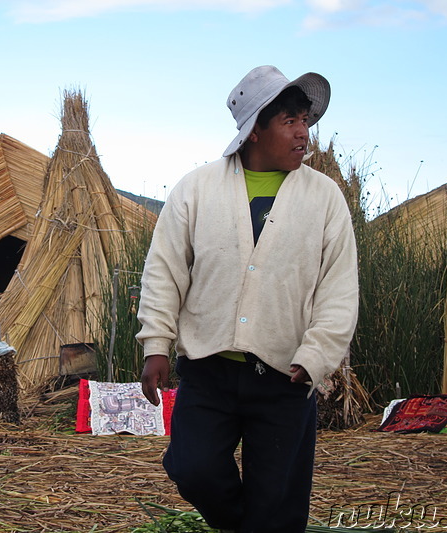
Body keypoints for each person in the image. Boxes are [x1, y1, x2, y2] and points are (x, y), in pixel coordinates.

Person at [136, 65, 359, 533]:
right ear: (254, 130)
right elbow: (165, 270)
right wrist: (156, 343)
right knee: (192, 468)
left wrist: (316, 355)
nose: (304, 134)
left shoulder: (325, 199)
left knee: (277, 501)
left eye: (305, 120)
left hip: (285, 376)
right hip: (209, 369)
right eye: (290, 122)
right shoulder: (197, 190)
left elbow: (338, 288)